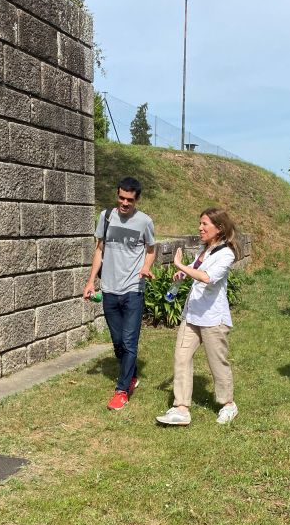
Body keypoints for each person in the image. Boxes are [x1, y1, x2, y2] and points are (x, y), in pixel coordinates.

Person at [155, 208, 241, 426]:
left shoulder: (226, 253)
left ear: (219, 228)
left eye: (205, 224)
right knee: (181, 358)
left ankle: (228, 404)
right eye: (199, 223)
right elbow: (195, 270)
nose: (200, 228)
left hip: (213, 318)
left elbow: (207, 277)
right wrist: (182, 273)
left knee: (217, 363)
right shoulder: (204, 249)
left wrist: (180, 265)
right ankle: (181, 408)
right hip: (192, 315)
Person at [83, 177, 155, 410]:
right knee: (118, 343)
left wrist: (146, 267)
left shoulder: (145, 222)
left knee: (129, 341)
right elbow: (99, 251)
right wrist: (91, 281)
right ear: (117, 195)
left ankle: (122, 390)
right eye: (121, 198)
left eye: (130, 200)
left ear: (137, 200)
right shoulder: (105, 217)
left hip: (133, 289)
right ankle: (131, 375)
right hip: (110, 289)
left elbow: (151, 250)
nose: (125, 203)